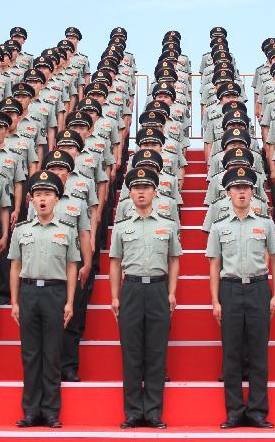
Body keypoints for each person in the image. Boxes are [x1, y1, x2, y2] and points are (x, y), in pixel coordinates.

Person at [206, 166, 275, 429]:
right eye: (237, 188)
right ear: (228, 193)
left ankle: (259, 410)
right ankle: (235, 411)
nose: (242, 192)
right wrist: (215, 300)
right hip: (230, 289)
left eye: (246, 188)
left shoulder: (265, 223)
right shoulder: (219, 227)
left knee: (259, 352)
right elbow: (214, 265)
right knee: (232, 353)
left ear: (253, 192)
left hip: (259, 288)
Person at [109, 167, 181, 429]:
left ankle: (152, 411)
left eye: (146, 187)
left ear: (154, 192)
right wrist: (114, 296)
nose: (141, 192)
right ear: (129, 193)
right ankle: (132, 412)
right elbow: (115, 263)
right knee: (131, 352)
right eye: (136, 188)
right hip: (131, 290)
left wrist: (172, 292)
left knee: (156, 352)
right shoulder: (121, 227)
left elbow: (174, 260)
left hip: (158, 290)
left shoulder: (167, 225)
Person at [8, 170, 79, 428]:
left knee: (52, 353)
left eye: (47, 194)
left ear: (57, 199)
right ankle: (30, 410)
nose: (42, 199)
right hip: (28, 292)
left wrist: (70, 301)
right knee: (30, 354)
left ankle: (50, 411)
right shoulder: (22, 230)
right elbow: (15, 266)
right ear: (31, 199)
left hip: (55, 292)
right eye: (38, 194)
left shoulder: (67, 230)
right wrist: (14, 301)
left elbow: (72, 267)